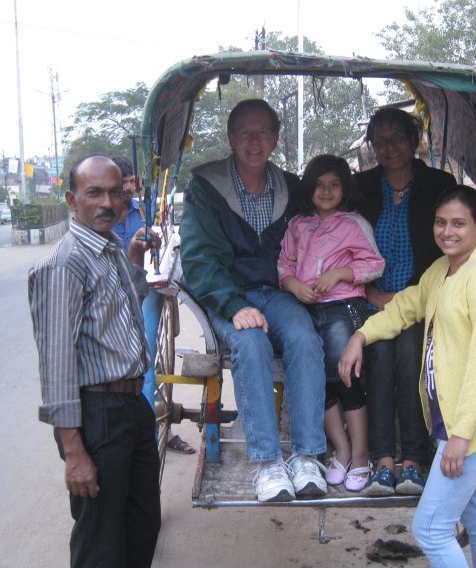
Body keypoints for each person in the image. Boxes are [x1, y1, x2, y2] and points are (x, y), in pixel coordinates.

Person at [339, 184, 476, 567]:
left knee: (432, 530)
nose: (447, 232)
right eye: (441, 223)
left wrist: (460, 437)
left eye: (459, 224)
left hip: (473, 430)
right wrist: (360, 335)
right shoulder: (442, 271)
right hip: (456, 425)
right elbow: (405, 307)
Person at [179, 99, 328, 502]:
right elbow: (198, 259)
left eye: (263, 132)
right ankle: (266, 461)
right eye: (245, 132)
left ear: (276, 138)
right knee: (250, 343)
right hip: (229, 294)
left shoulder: (292, 187)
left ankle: (306, 454)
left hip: (278, 291)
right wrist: (231, 305)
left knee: (303, 337)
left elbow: (318, 233)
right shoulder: (206, 188)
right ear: (231, 137)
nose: (255, 140)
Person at [28, 154, 161, 568]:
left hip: (131, 405)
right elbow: (57, 364)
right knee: (100, 541)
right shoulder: (66, 264)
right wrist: (74, 452)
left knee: (142, 524)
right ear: (72, 199)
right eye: (95, 193)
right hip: (96, 414)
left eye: (116, 193)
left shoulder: (112, 250)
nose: (108, 202)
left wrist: (136, 259)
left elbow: (119, 313)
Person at [353, 106, 456, 496]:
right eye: (380, 140)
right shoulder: (359, 187)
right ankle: (382, 462)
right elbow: (343, 244)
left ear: (415, 141)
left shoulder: (438, 184)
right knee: (377, 356)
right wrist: (372, 294)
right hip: (370, 298)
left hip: (421, 301)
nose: (389, 146)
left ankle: (413, 462)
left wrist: (409, 296)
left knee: (412, 352)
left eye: (398, 137)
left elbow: (448, 247)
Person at [278, 154, 384, 492]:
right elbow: (284, 264)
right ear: (308, 188)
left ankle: (363, 455)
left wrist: (341, 273)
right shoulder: (297, 224)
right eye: (319, 184)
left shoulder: (353, 223)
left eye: (334, 184)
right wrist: (292, 284)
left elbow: (374, 264)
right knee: (316, 381)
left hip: (343, 308)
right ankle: (342, 450)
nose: (326, 191)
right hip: (306, 310)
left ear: (344, 189)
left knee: (346, 379)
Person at [111, 155, 194, 455]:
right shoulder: (103, 218)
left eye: (133, 181)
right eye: (125, 183)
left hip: (146, 289)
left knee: (147, 360)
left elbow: (161, 241)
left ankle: (152, 432)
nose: (131, 188)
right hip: (113, 298)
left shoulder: (144, 211)